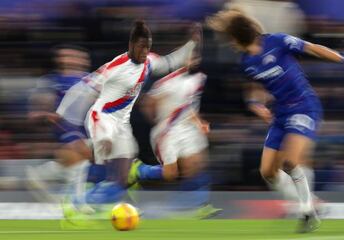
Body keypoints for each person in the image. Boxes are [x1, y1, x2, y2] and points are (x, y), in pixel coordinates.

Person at [206, 9, 344, 233]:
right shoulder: (246, 62)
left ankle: (308, 212)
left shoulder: (277, 41)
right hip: (280, 114)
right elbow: (255, 89)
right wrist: (256, 105)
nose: (229, 44)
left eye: (229, 38)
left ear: (237, 36)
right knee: (267, 172)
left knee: (290, 162)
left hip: (304, 106)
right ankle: (311, 202)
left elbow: (312, 48)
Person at [64, 20, 203, 219]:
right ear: (132, 46)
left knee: (118, 182)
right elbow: (85, 88)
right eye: (141, 47)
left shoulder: (150, 61)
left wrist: (191, 44)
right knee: (106, 152)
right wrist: (68, 117)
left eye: (147, 47)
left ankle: (83, 200)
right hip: (102, 117)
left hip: (121, 122)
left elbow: (170, 62)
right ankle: (80, 195)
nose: (145, 51)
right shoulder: (116, 66)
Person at [137, 53, 221, 218]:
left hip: (187, 128)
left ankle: (200, 206)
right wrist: (158, 122)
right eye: (190, 57)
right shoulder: (167, 81)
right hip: (167, 130)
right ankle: (139, 171)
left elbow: (189, 106)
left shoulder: (198, 79)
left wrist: (200, 123)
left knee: (197, 163)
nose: (194, 60)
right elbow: (147, 102)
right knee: (170, 174)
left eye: (196, 57)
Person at [27, 45, 94, 202]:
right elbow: (38, 103)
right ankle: (75, 200)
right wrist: (43, 113)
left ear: (84, 60)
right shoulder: (52, 80)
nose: (70, 59)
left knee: (79, 160)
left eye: (74, 56)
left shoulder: (90, 79)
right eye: (66, 56)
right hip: (63, 123)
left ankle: (41, 175)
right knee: (82, 152)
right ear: (60, 60)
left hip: (85, 125)